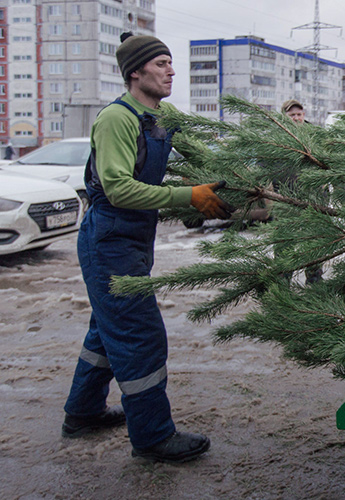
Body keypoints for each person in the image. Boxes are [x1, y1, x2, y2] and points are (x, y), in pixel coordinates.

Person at [61, 32, 233, 463]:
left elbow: (195, 158)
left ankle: (82, 413)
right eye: (161, 63)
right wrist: (188, 196)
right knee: (139, 335)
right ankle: (153, 437)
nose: (171, 71)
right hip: (109, 239)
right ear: (135, 72)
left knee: (107, 330)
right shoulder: (117, 119)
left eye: (171, 63)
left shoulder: (159, 118)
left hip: (134, 238)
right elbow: (118, 188)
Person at [275, 99, 323, 284]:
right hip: (286, 197)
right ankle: (283, 282)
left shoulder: (315, 135)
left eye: (299, 114)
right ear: (284, 117)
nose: (296, 118)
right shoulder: (276, 137)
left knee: (314, 239)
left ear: (304, 115)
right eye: (292, 115)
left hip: (314, 197)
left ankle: (315, 280)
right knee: (284, 241)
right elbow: (264, 165)